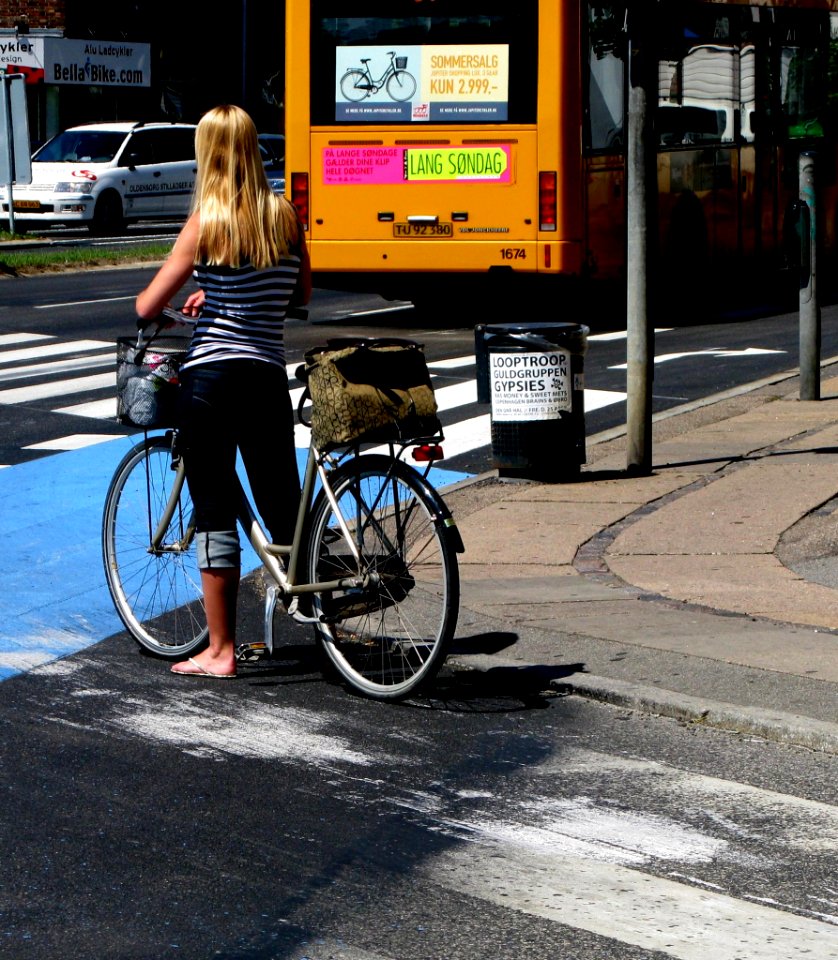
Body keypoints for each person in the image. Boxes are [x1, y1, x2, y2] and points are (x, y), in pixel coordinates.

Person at [136, 104, 311, 679]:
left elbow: (145, 305)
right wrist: (230, 297)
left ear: (207, 155)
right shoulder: (284, 216)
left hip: (211, 383)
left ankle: (220, 650)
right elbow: (298, 295)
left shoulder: (206, 224)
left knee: (214, 512)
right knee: (281, 501)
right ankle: (319, 604)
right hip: (265, 377)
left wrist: (196, 301)